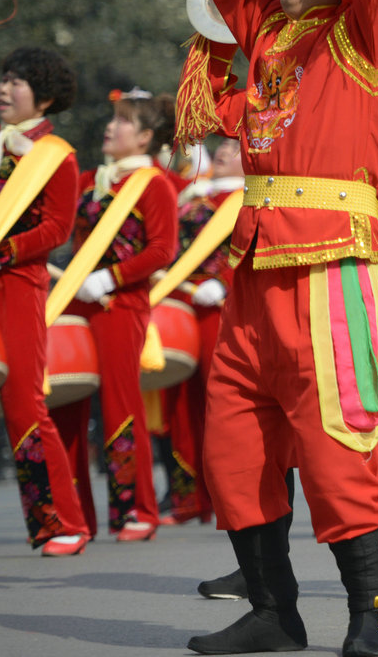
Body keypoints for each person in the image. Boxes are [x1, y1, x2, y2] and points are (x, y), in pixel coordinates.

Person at [185, 0, 378, 655]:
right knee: (234, 444)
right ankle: (273, 610)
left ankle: (368, 615)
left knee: (337, 444)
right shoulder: (269, 31)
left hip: (331, 271)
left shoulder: (368, 37)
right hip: (253, 266)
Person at [55, 91, 180, 544]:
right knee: (65, 399)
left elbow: (163, 249)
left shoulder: (155, 183)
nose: (111, 127)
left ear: (146, 136)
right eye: (111, 119)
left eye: (122, 122)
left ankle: (137, 509)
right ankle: (74, 515)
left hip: (119, 305)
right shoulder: (91, 179)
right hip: (75, 300)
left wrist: (112, 279)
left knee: (119, 406)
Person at [0, 47, 92, 555]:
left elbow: (56, 227)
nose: (4, 88)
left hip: (17, 282)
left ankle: (63, 522)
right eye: (4, 79)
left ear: (45, 96)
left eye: (16, 82)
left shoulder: (55, 153)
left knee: (22, 402)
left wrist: (6, 249)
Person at [162, 137, 247, 526]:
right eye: (224, 146)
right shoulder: (193, 195)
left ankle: (225, 497)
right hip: (182, 300)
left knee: (218, 401)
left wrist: (226, 281)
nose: (227, 151)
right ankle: (186, 497)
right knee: (179, 400)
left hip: (221, 304)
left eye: (238, 148)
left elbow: (253, 250)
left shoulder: (249, 200)